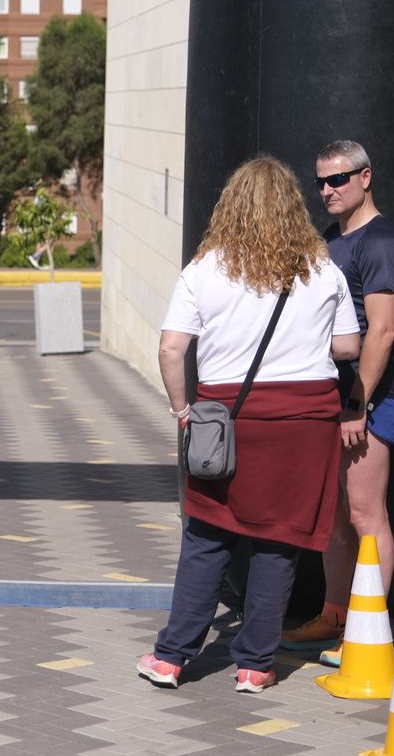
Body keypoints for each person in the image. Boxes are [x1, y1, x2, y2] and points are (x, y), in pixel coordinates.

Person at [138, 155, 361, 694]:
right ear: (292, 208)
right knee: (277, 542)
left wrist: (181, 409)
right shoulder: (322, 269)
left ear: (230, 206)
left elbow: (172, 348)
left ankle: (171, 658)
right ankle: (256, 666)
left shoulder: (205, 268)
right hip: (305, 420)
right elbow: (348, 346)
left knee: (208, 537)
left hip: (225, 418)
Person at [281, 141, 394, 666]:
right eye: (321, 182)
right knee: (333, 515)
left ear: (366, 177)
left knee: (364, 513)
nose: (327, 190)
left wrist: (359, 401)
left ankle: (368, 632)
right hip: (328, 396)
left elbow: (382, 329)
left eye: (338, 180)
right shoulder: (333, 239)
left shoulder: (380, 243)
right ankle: (335, 615)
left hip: (366, 399)